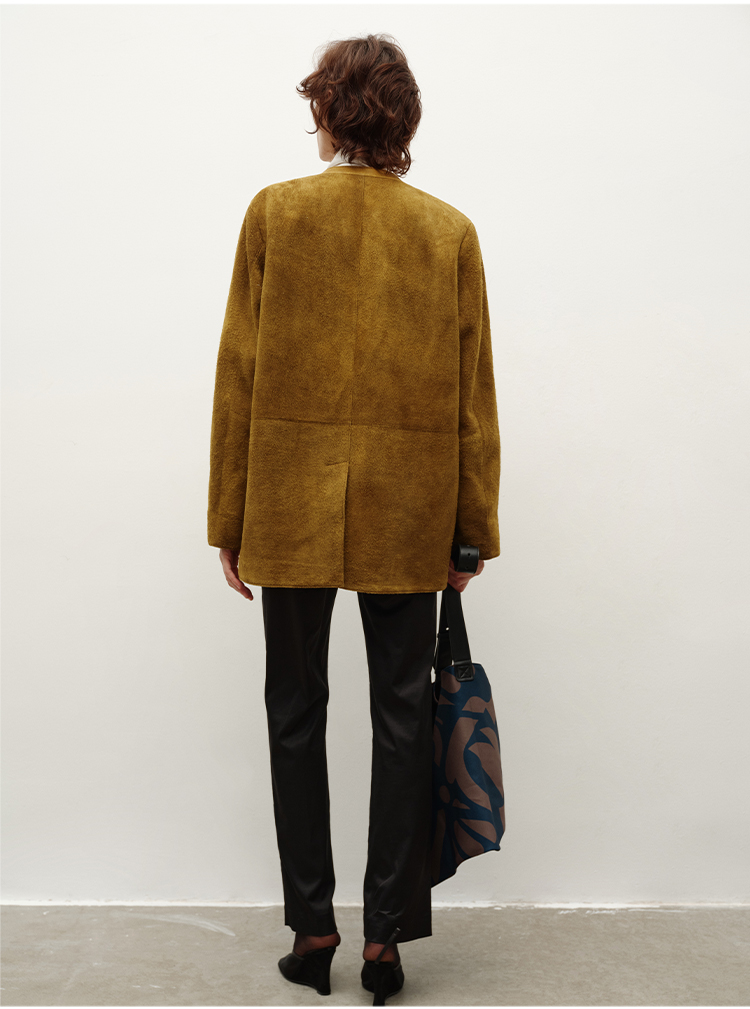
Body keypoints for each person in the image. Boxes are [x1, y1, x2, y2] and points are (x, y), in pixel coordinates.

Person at [207, 32, 500, 1005]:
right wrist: (471, 529)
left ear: (325, 112)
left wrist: (229, 514)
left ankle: (312, 928)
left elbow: (239, 374)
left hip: (287, 502)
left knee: (294, 711)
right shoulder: (448, 232)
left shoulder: (275, 213)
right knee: (402, 716)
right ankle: (385, 942)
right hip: (409, 510)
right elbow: (472, 398)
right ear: (405, 121)